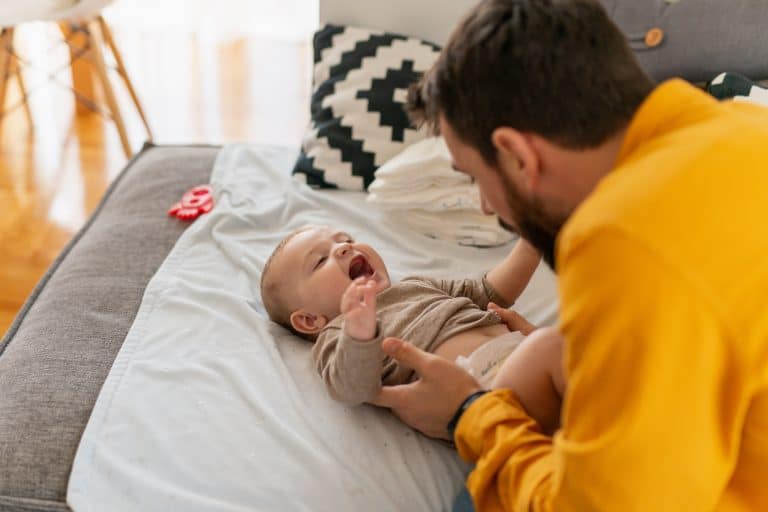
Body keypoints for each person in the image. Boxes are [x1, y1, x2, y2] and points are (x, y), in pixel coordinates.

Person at [372, 0, 768, 510]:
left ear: (517, 155)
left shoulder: (622, 237)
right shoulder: (741, 125)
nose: (486, 204)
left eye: (477, 178)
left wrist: (469, 412)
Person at [260, 224, 565, 433]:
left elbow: (489, 293)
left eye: (344, 239)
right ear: (310, 320)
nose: (343, 248)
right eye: (319, 261)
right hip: (483, 390)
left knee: (570, 347)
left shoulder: (417, 285)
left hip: (522, 366)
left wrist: (529, 246)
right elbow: (352, 388)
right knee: (551, 344)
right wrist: (360, 331)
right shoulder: (340, 334)